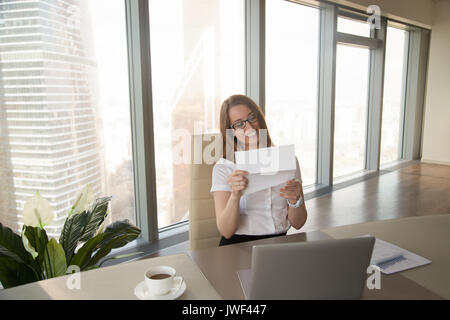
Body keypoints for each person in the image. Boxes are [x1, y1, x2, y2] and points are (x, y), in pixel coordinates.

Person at [210, 94, 307, 246]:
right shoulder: (224, 167)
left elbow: (298, 223)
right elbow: (226, 231)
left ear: (260, 118)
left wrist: (295, 200)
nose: (249, 127)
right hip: (238, 247)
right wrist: (235, 195)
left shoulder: (287, 160)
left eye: (252, 117)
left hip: (280, 243)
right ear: (230, 132)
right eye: (239, 124)